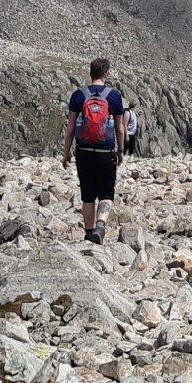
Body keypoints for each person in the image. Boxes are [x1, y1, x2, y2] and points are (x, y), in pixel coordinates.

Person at [63, 57, 126, 244]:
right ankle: (100, 226)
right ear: (106, 74)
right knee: (106, 194)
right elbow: (120, 129)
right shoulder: (114, 96)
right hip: (106, 153)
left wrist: (66, 153)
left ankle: (89, 233)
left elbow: (70, 129)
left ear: (90, 73)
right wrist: (120, 151)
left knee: (88, 195)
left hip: (83, 151)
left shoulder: (78, 95)